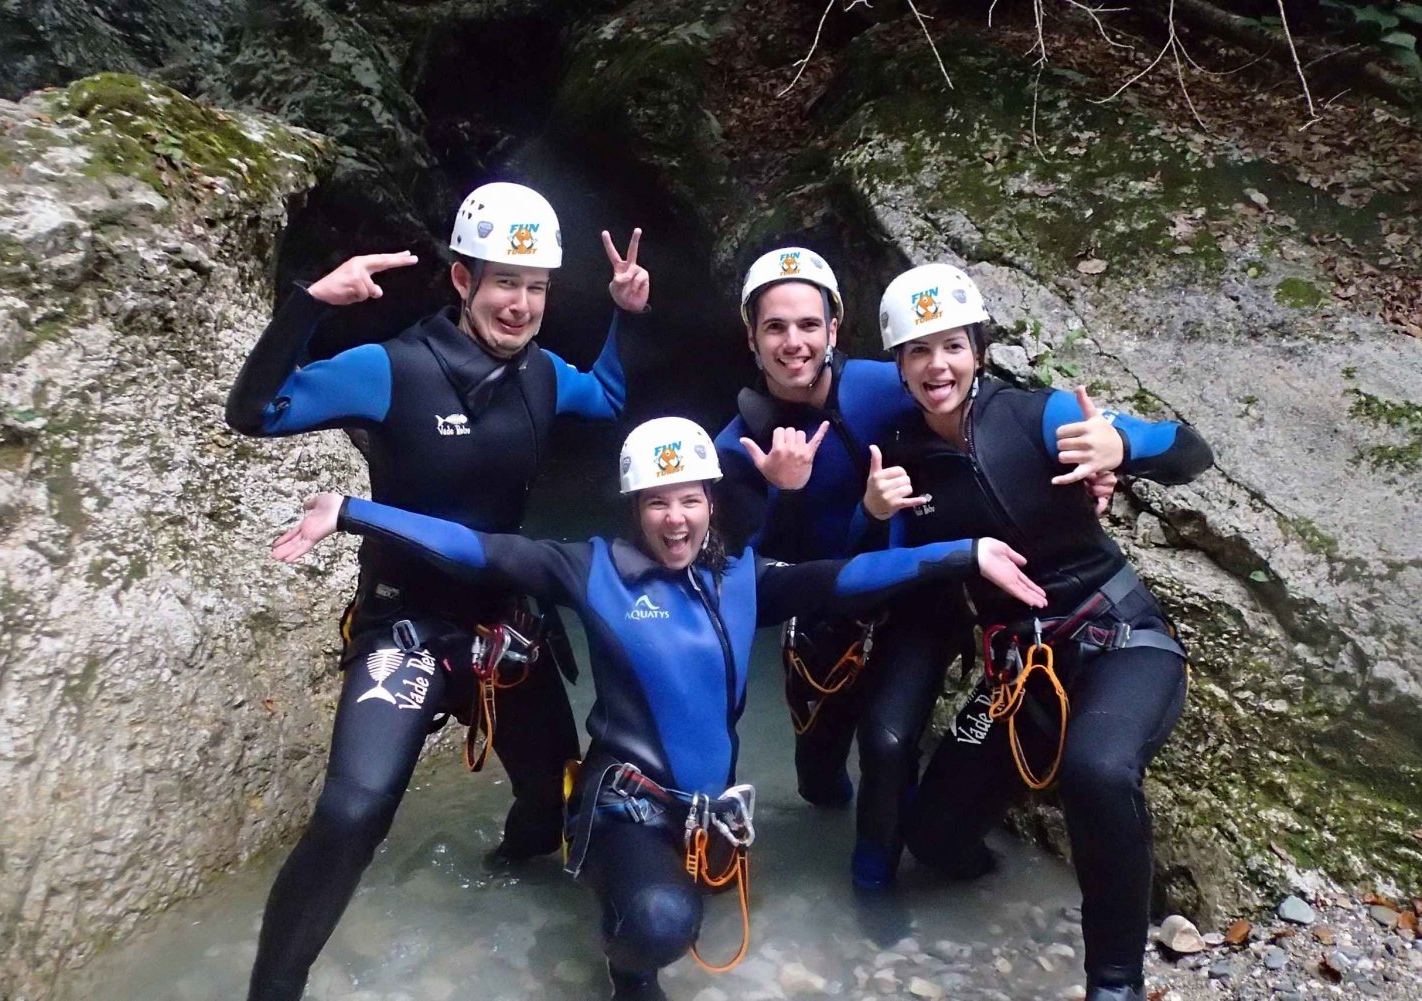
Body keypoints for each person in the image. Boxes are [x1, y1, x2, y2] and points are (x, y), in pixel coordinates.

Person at [270, 415, 1050, 1001]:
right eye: (656, 503)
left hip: (708, 816)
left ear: (711, 502)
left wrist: (964, 551)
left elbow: (853, 574)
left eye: (689, 500)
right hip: (626, 809)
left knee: (684, 906)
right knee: (660, 926)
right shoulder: (591, 570)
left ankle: (634, 912)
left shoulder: (747, 578)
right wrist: (353, 511)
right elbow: (477, 546)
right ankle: (625, 969)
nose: (675, 518)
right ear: (633, 507)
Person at [224, 181, 651, 1001]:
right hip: (406, 630)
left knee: (550, 786)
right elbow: (257, 411)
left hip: (503, 629)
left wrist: (625, 315)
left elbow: (609, 395)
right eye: (503, 283)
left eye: (535, 288)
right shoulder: (390, 369)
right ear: (462, 280)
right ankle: (272, 991)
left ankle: (507, 892)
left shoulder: (546, 374)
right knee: (353, 813)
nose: (521, 305)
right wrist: (308, 304)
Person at [863, 263, 1214, 1001]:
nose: (937, 365)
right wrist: (873, 512)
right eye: (918, 351)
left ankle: (1112, 981)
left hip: (1121, 641)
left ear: (979, 348)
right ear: (897, 364)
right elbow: (884, 572)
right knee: (935, 839)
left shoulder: (1040, 416)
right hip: (1017, 676)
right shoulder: (898, 457)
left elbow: (1190, 449)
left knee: (1096, 768)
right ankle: (1017, 902)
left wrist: (1123, 450)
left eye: (952, 345)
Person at [712, 247, 1114, 890]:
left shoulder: (883, 385)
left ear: (834, 330)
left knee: (889, 743)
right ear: (751, 339)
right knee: (818, 784)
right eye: (776, 327)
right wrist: (779, 493)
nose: (795, 343)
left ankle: (875, 893)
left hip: (918, 597)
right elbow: (741, 586)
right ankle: (856, 843)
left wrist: (1089, 469)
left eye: (809, 325)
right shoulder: (735, 450)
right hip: (825, 617)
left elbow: (978, 419)